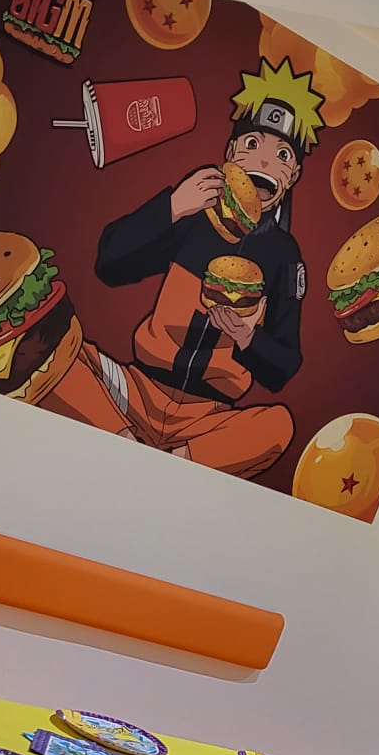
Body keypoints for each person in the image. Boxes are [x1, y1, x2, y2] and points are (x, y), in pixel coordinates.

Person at [41, 58, 325, 475]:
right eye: (252, 144)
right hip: (136, 390)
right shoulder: (192, 214)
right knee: (59, 352)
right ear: (230, 153)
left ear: (293, 175)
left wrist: (247, 337)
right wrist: (171, 207)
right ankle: (127, 445)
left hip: (208, 418)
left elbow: (284, 367)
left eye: (281, 155)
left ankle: (172, 466)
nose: (263, 162)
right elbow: (109, 264)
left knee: (278, 425)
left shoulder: (285, 256)